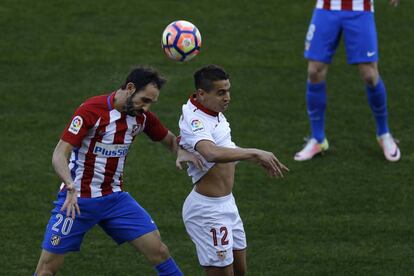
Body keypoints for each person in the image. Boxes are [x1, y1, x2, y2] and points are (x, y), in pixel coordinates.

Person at [35, 66, 203, 276]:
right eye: (144, 100)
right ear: (130, 88)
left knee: (159, 251)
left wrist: (180, 151)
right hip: (77, 201)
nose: (146, 108)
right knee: (46, 269)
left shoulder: (141, 118)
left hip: (115, 200)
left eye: (151, 103)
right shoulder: (91, 110)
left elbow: (169, 139)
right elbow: (59, 154)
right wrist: (69, 185)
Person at [178, 65, 289, 275]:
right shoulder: (195, 120)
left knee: (240, 270)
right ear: (201, 94)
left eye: (228, 91)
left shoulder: (214, 113)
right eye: (220, 93)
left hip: (227, 204)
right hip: (207, 211)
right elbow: (210, 152)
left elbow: (224, 147)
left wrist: (253, 158)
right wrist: (254, 153)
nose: (227, 97)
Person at [294, 0, 401, 162]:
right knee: (314, 71)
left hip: (360, 8)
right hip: (326, 8)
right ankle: (318, 139)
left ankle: (384, 133)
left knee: (370, 75)